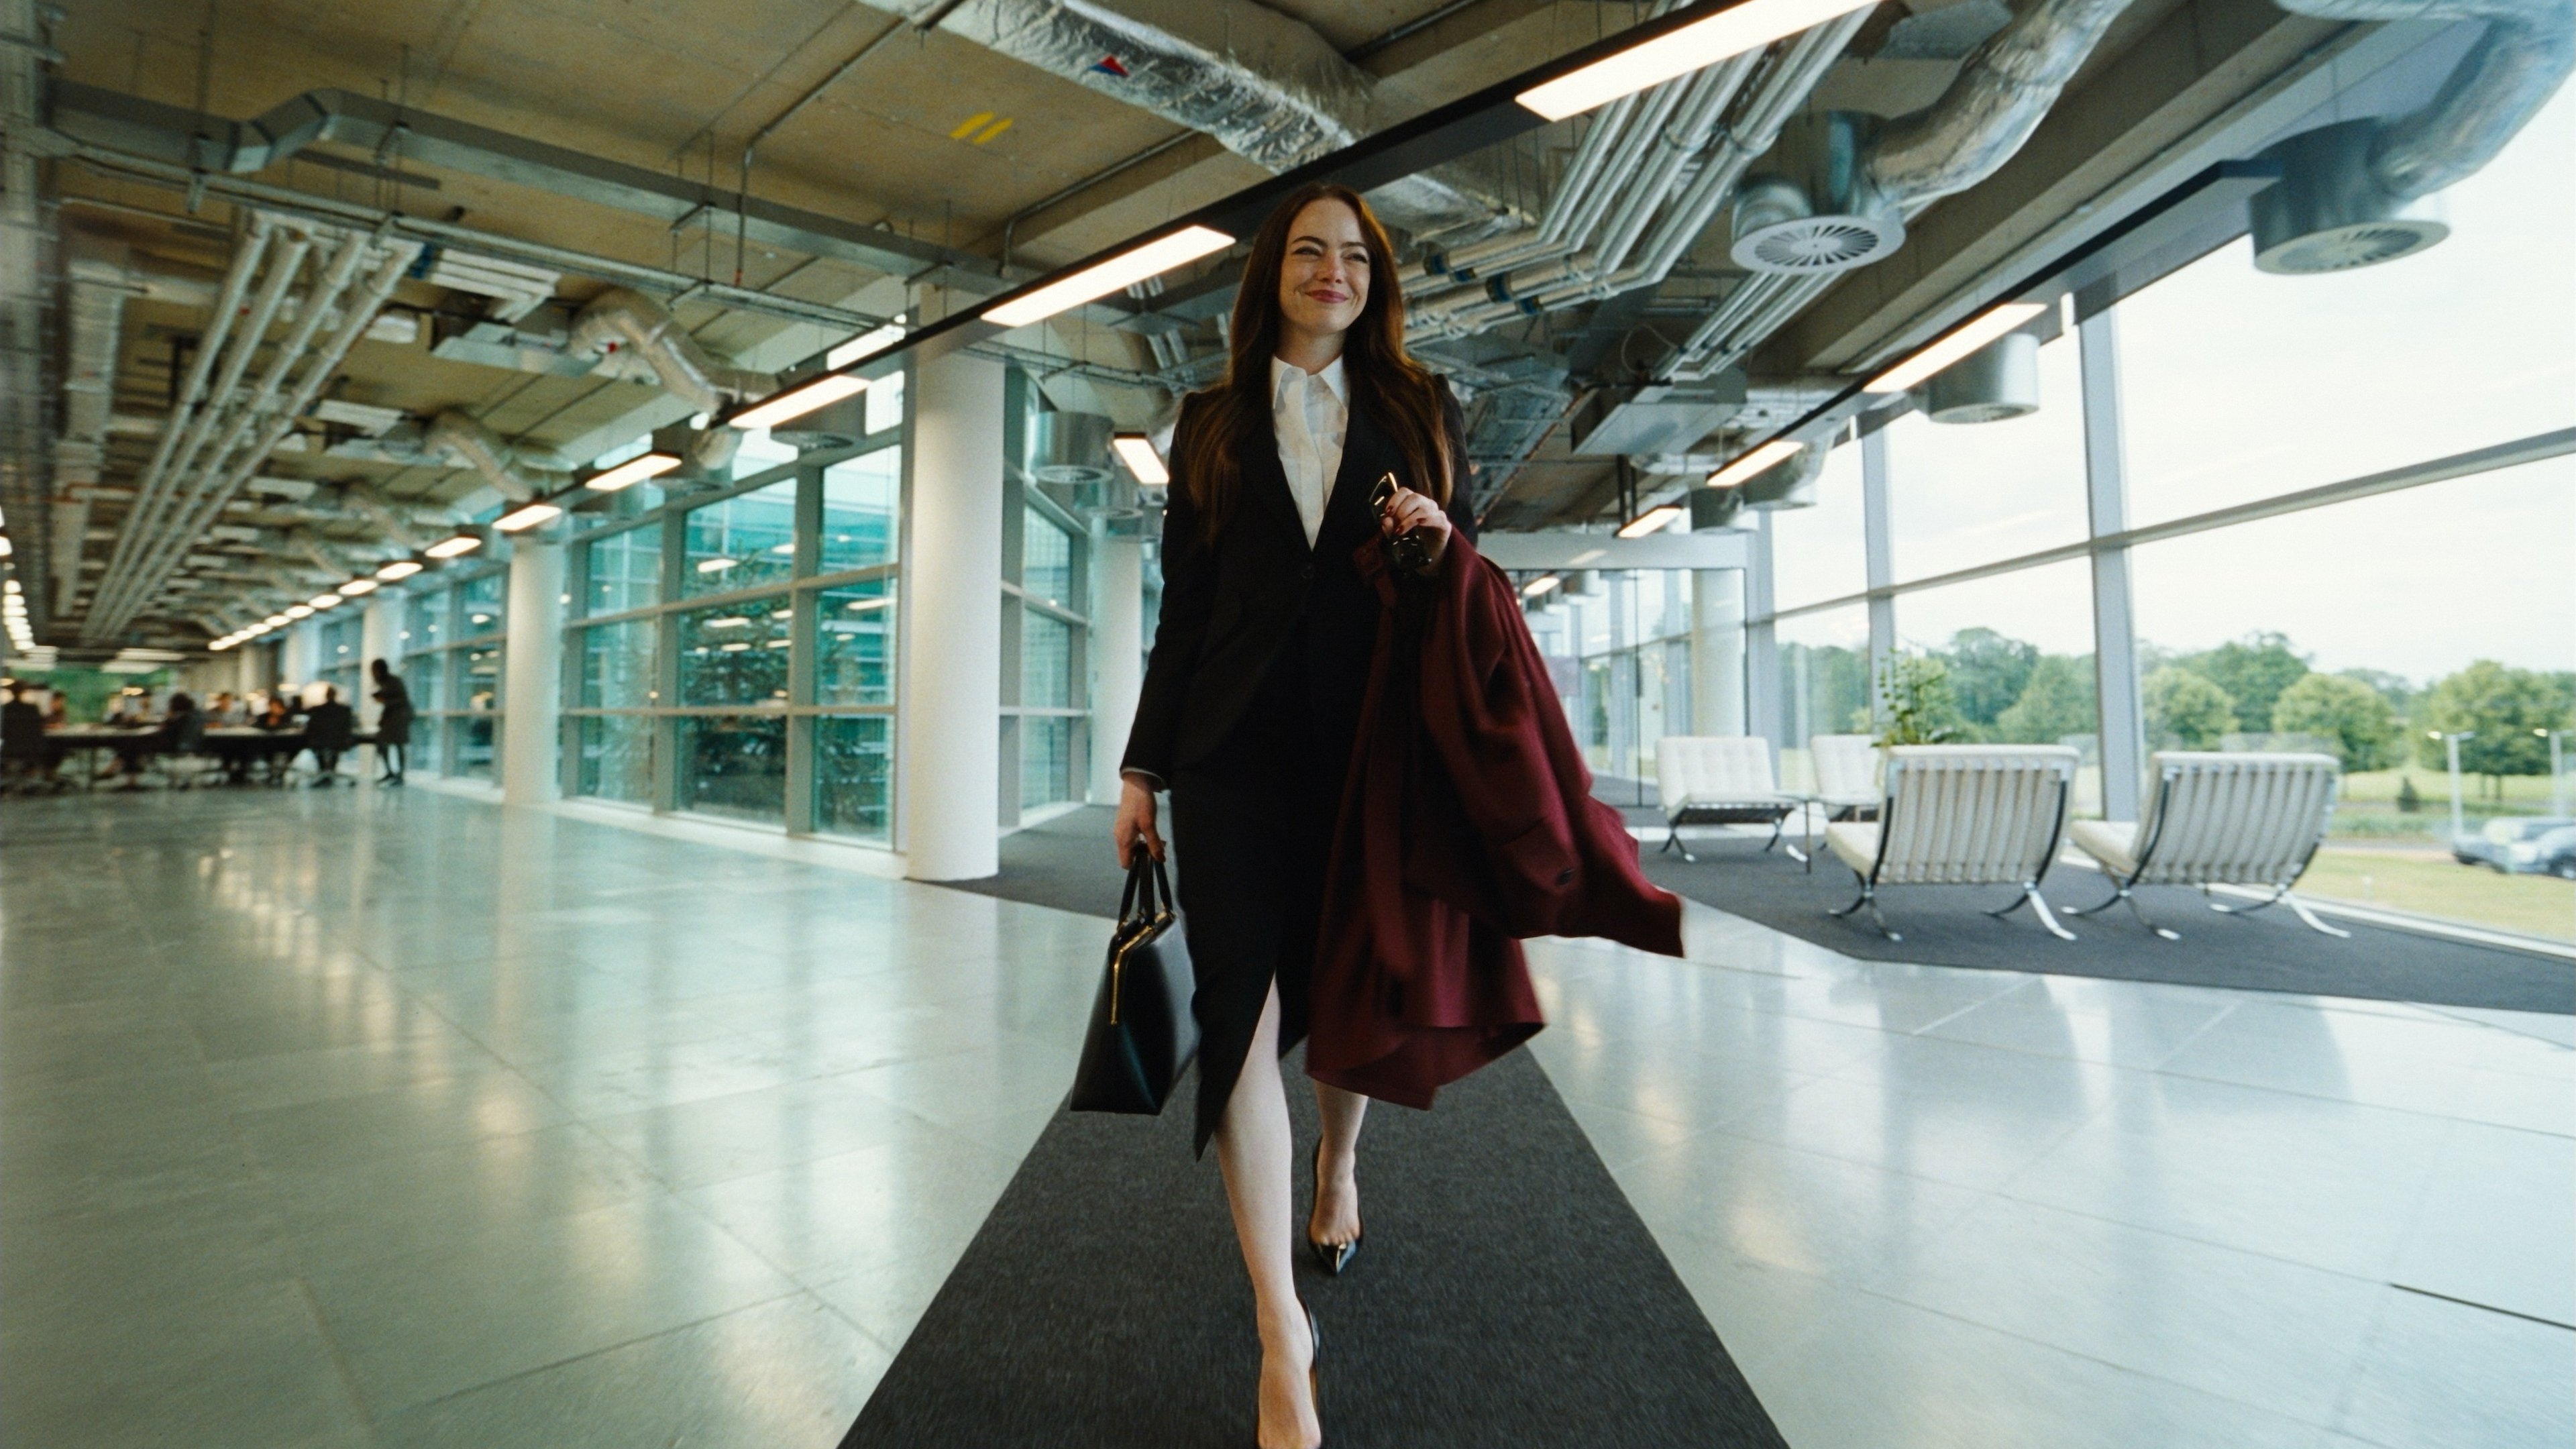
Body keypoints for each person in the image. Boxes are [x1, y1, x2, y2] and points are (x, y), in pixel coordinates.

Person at [1110, 182, 1478, 1449]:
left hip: (1372, 752)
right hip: (1231, 757)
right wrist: (1143, 771)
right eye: (1310, 252)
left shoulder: (1421, 409)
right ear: (1272, 272)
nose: (1334, 271)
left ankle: (1340, 1164)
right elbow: (1184, 614)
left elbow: (1468, 580)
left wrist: (1439, 538)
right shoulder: (1208, 421)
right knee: (1241, 1015)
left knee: (1348, 992)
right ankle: (1281, 1332)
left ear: (1376, 280)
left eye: (1355, 257)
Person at [370, 659, 413, 785]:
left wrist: (384, 700)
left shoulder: (393, 681)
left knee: (398, 744)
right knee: (383, 743)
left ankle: (400, 774)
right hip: (392, 716)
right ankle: (390, 772)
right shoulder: (385, 682)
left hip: (400, 717)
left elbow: (401, 700)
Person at [304, 686, 356, 786]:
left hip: (319, 741)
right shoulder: (344, 710)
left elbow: (310, 728)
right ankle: (330, 771)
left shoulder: (317, 710)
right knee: (334, 749)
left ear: (326, 696)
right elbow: (348, 728)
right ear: (336, 695)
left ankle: (324, 772)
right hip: (339, 741)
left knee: (321, 748)